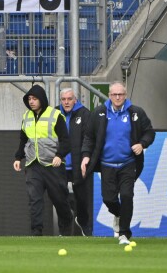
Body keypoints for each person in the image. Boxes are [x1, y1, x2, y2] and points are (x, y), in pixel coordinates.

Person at [80, 81, 155, 245]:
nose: (118, 97)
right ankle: (120, 214)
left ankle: (124, 233)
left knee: (127, 196)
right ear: (109, 96)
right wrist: (86, 156)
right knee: (109, 199)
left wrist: (142, 144)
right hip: (107, 165)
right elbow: (89, 137)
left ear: (125, 95)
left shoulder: (136, 112)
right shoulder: (99, 113)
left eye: (120, 94)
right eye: (114, 94)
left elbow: (149, 132)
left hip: (128, 164)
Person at [13, 84, 74, 236]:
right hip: (33, 164)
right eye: (29, 99)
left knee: (60, 200)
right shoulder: (26, 116)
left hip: (53, 164)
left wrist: (59, 156)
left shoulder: (55, 115)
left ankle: (66, 229)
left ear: (42, 99)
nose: (31, 102)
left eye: (34, 99)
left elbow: (66, 140)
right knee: (34, 199)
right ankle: (36, 232)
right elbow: (23, 139)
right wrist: (18, 157)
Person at [57, 87, 93, 236]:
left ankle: (83, 222)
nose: (66, 102)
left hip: (79, 165)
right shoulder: (54, 114)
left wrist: (86, 157)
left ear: (75, 100)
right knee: (60, 200)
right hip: (60, 165)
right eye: (63, 99)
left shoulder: (84, 114)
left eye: (69, 99)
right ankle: (64, 232)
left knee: (82, 199)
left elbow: (89, 138)